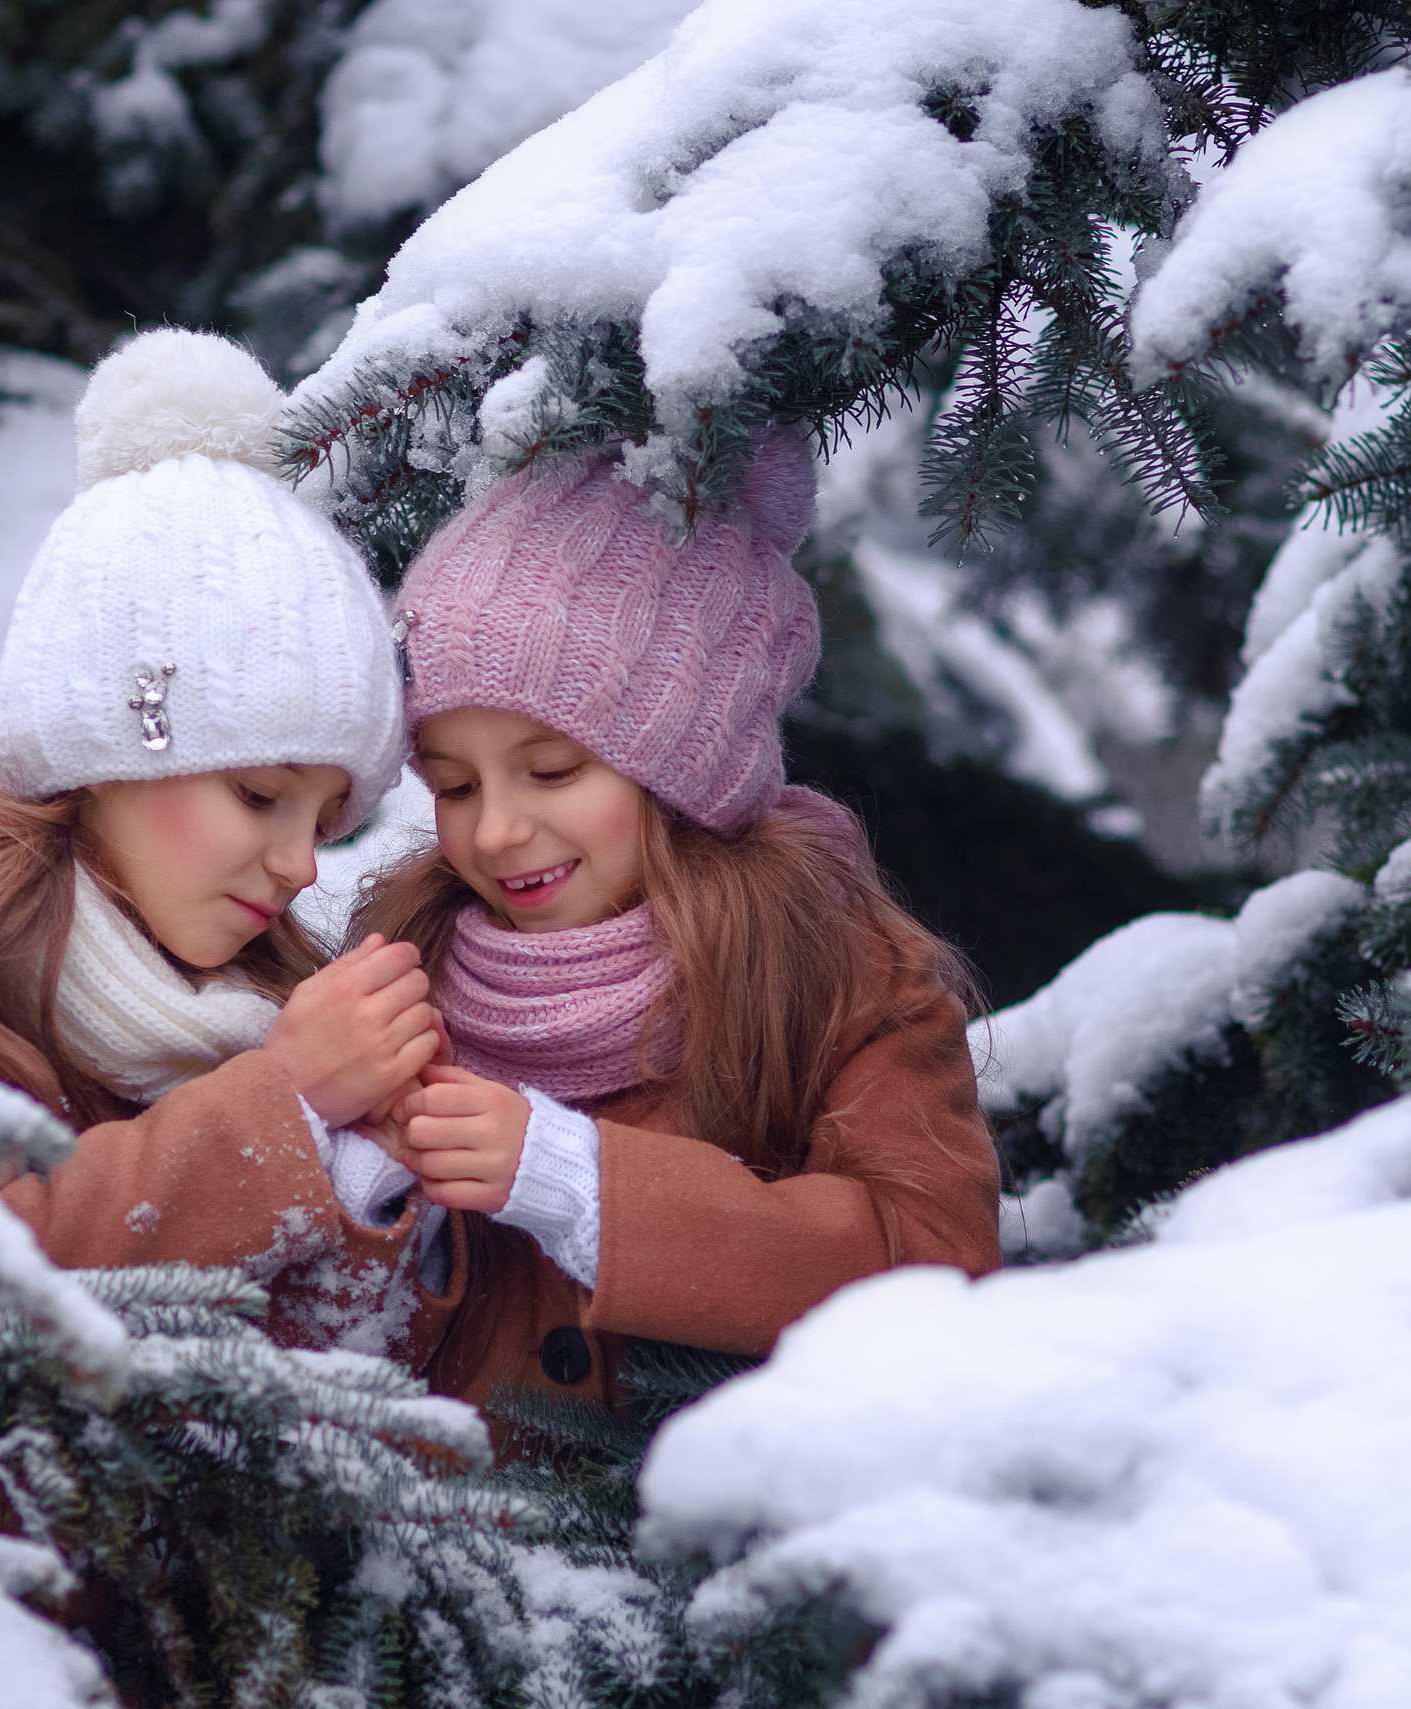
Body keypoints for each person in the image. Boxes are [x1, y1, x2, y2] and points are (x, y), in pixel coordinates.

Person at [349, 431, 1003, 1420]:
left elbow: (933, 1258)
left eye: (553, 771)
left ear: (680, 763)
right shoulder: (398, 968)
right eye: (450, 782)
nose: (495, 828)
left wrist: (588, 1188)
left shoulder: (828, 971)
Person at [0, 327, 445, 1357]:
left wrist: (369, 1181)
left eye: (325, 821)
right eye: (258, 795)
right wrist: (285, 1106)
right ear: (108, 749)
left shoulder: (266, 1006)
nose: (300, 866)